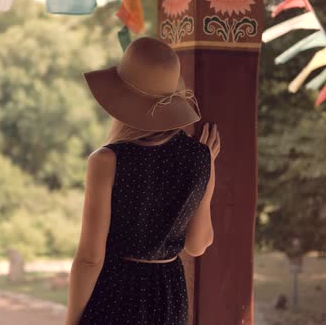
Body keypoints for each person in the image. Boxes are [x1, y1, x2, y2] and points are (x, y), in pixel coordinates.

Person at [65, 37, 220, 325]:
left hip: (115, 294)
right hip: (169, 296)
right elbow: (198, 245)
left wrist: (72, 321)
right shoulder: (201, 157)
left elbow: (89, 258)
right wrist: (208, 169)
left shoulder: (106, 161)